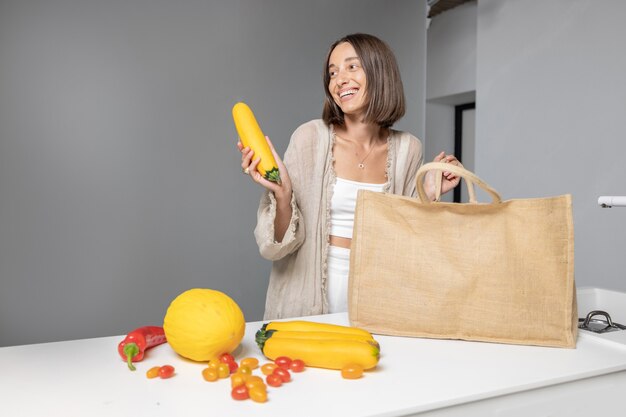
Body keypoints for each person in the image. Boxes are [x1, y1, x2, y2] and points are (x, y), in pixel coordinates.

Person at [238, 33, 461, 319]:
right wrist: (282, 195)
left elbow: (404, 241)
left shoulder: (408, 148)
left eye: (351, 67)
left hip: (378, 297)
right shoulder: (309, 138)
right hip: (305, 295)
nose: (339, 79)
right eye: (332, 72)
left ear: (380, 73)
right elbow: (278, 247)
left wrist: (427, 193)